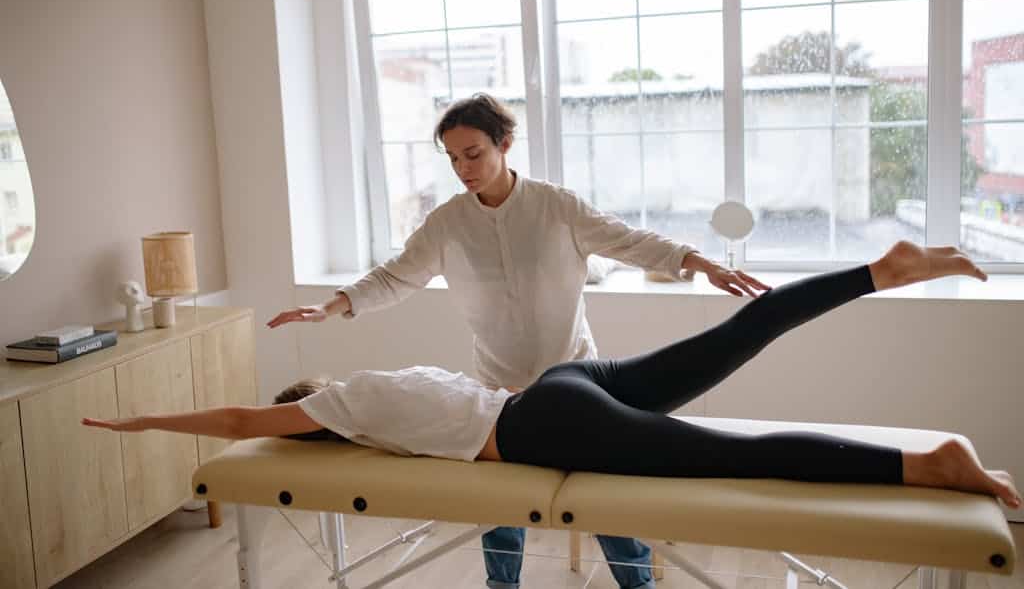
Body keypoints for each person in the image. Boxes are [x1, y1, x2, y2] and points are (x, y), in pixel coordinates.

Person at [85, 241, 1021, 515]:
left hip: (544, 431)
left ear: (312, 421)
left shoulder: (340, 410)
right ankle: (879, 270)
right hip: (564, 383)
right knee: (738, 332)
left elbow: (243, 414)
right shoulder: (379, 375)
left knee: (734, 456)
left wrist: (145, 426)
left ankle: (928, 466)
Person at [265, 93, 770, 589]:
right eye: (454, 159)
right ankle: (501, 585)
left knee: (605, 500)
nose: (464, 169)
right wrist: (332, 306)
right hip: (498, 396)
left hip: (577, 385)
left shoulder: (556, 206)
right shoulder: (447, 223)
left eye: (474, 154)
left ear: (504, 143)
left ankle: (637, 584)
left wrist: (701, 264)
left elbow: (630, 241)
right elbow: (396, 276)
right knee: (499, 508)